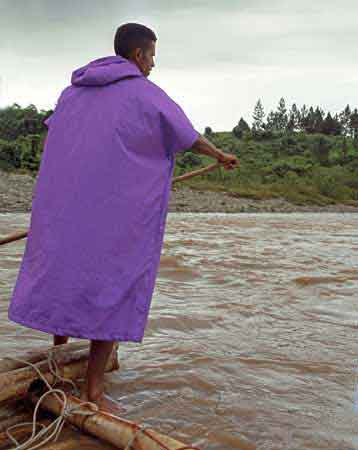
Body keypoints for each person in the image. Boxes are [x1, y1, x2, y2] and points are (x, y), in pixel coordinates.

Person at [8, 23, 239, 414]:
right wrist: (219, 156)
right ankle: (93, 392)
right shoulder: (146, 94)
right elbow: (187, 135)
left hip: (67, 210)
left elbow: (59, 142)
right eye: (151, 55)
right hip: (114, 216)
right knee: (114, 286)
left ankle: (59, 364)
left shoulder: (72, 93)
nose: (153, 64)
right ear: (138, 55)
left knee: (64, 274)